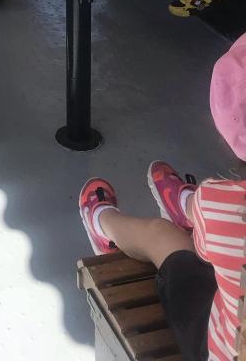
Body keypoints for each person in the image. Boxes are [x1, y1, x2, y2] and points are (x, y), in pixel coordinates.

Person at [78, 34, 246, 361]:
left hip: (220, 347)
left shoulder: (223, 204)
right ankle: (184, 204)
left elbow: (203, 253)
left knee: (163, 235)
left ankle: (102, 221)